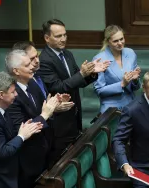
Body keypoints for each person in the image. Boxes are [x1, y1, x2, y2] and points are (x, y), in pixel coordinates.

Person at [37, 19, 110, 165]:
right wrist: (81, 74)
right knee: (60, 163)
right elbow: (57, 87)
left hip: (74, 116)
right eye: (58, 36)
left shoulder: (67, 54)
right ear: (47, 38)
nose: (63, 39)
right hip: (59, 123)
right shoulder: (44, 60)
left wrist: (91, 73)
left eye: (65, 35)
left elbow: (77, 81)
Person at [5, 49, 60, 188]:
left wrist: (54, 107)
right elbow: (22, 129)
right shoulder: (11, 95)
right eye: (27, 64)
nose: (32, 67)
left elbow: (43, 109)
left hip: (43, 151)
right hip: (26, 161)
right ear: (16, 71)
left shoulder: (33, 84)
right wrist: (45, 114)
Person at [93, 25, 141, 113]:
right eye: (115, 41)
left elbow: (136, 87)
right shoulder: (100, 59)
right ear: (108, 42)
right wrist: (122, 84)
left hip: (131, 106)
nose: (120, 43)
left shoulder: (130, 53)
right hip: (111, 109)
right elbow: (99, 91)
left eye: (121, 39)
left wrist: (135, 80)